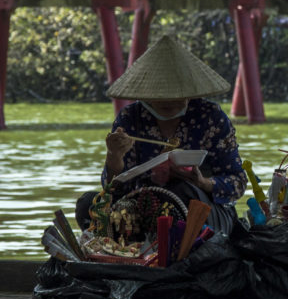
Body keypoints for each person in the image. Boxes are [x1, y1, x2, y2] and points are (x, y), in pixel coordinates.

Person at [76, 35, 248, 237]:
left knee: (182, 190)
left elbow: (237, 182)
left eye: (177, 95)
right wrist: (114, 157)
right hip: (145, 209)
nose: (170, 101)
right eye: (162, 96)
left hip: (204, 212)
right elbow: (114, 191)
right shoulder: (131, 118)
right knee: (88, 204)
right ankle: (127, 247)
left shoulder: (211, 117)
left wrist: (202, 182)